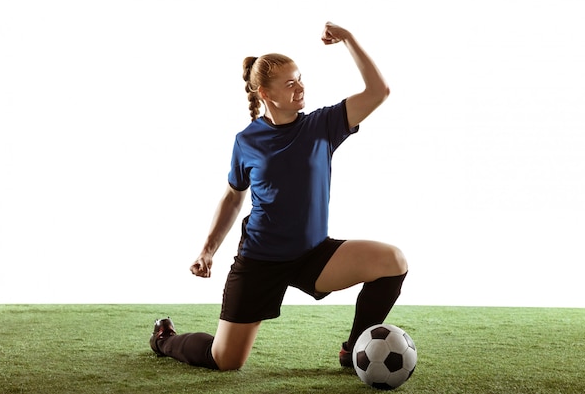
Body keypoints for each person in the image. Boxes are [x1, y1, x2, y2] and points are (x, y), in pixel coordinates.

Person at [149, 22, 408, 371]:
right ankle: (164, 340)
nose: (301, 87)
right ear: (265, 94)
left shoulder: (323, 125)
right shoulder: (247, 141)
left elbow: (379, 91)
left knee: (391, 260)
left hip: (312, 255)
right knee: (225, 360)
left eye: (300, 78)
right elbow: (232, 196)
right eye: (290, 83)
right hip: (260, 260)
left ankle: (354, 351)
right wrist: (208, 250)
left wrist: (348, 39)